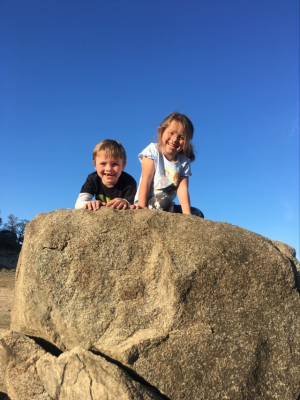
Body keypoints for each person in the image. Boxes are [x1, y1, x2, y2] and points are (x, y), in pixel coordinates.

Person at [134, 112, 204, 217]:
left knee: (197, 214)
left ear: (186, 142)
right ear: (162, 131)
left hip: (168, 206)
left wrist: (188, 217)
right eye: (171, 133)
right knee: (163, 201)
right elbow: (146, 179)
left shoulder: (184, 162)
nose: (175, 139)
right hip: (150, 202)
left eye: (181, 137)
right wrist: (141, 208)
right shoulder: (152, 151)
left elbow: (182, 189)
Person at [75, 139, 137, 210]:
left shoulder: (129, 182)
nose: (109, 169)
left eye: (115, 164)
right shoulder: (93, 179)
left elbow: (132, 205)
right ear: (95, 164)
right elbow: (78, 204)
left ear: (123, 165)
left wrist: (125, 203)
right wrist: (88, 203)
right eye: (103, 163)